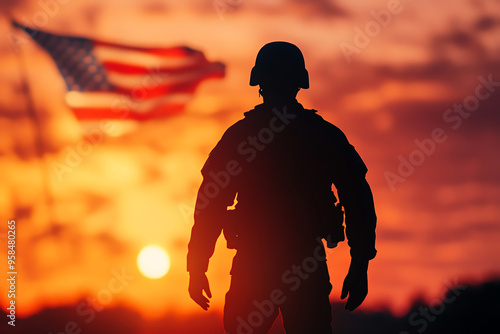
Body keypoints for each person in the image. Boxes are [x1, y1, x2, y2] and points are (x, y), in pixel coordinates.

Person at [187, 41, 377, 334]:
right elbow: (357, 198)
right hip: (302, 265)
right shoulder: (323, 135)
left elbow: (210, 203)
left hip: (255, 266)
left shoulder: (240, 137)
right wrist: (359, 262)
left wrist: (198, 265)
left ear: (259, 82)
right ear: (300, 82)